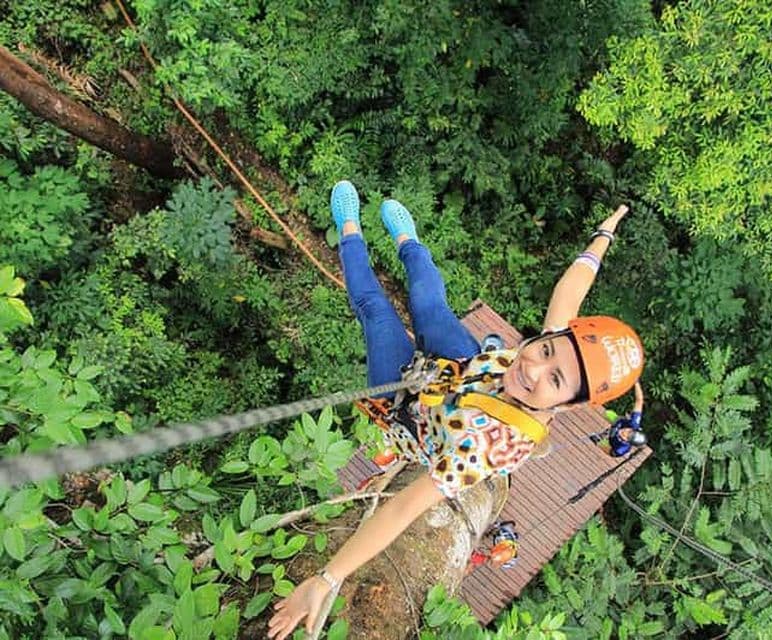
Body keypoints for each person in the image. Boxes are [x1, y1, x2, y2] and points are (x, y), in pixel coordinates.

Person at [266, 181, 644, 639]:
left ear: (569, 405)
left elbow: (403, 509)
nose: (535, 368)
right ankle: (409, 243)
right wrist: (603, 235)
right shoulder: (545, 354)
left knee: (375, 310)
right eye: (545, 351)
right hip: (465, 366)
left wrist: (327, 578)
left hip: (407, 405)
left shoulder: (485, 447)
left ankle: (348, 229)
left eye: (556, 380)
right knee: (428, 300)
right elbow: (572, 288)